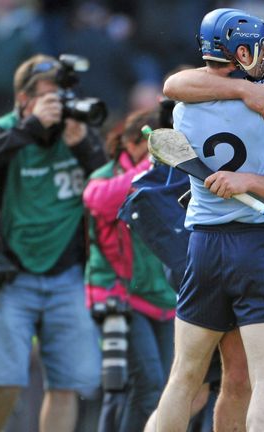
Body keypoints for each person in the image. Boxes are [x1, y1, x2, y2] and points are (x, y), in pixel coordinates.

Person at [145, 9, 264, 432]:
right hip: (259, 244)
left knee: (182, 379)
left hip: (203, 243)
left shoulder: (183, 107)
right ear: (245, 50)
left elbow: (176, 83)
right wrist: (260, 89)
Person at [0, 53, 106, 432]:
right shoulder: (3, 129)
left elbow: (108, 190)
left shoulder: (74, 131)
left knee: (67, 384)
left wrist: (84, 147)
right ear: (23, 99)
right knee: (4, 379)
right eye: (49, 96)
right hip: (12, 273)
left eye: (62, 95)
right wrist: (30, 128)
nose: (58, 104)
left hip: (68, 273)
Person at [83, 108, 177, 432]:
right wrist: (151, 164)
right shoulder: (108, 176)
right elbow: (98, 201)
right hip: (119, 296)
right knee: (137, 386)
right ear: (130, 142)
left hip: (164, 298)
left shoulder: (170, 177)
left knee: (163, 390)